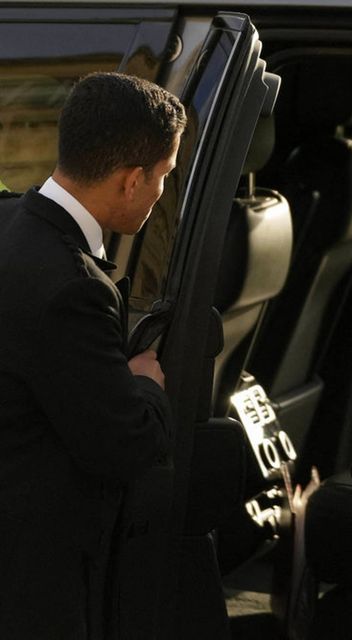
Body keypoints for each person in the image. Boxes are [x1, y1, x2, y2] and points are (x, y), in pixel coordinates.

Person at [0, 72, 185, 639]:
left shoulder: (9, 219)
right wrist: (146, 382)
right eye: (164, 176)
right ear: (131, 181)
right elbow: (125, 445)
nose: (162, 192)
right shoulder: (73, 288)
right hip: (31, 581)